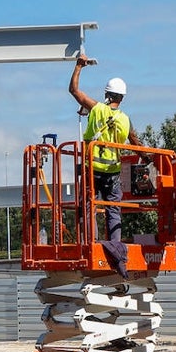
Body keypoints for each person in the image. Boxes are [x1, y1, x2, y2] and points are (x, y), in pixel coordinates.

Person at [68, 54, 141, 280]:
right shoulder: (125, 119)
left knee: (89, 206)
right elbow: (136, 142)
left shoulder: (96, 109)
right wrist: (149, 159)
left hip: (92, 169)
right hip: (112, 172)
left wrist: (79, 66)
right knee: (113, 209)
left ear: (107, 95)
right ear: (122, 97)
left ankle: (92, 242)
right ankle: (116, 247)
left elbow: (74, 90)